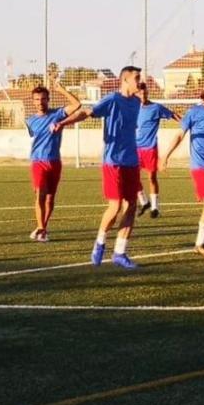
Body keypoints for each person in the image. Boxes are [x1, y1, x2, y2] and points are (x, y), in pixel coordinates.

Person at [52, 67, 143, 268]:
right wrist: (63, 123)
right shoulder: (111, 100)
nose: (140, 81)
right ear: (125, 80)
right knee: (116, 205)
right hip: (113, 162)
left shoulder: (137, 102)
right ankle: (100, 242)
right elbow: (86, 112)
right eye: (137, 78)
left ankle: (120, 252)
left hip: (132, 161)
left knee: (131, 206)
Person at [161, 78, 204, 254]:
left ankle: (199, 243)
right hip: (200, 165)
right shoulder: (194, 112)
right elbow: (179, 135)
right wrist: (165, 155)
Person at [24, 76, 82, 241]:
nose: (40, 102)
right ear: (33, 101)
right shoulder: (30, 121)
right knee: (40, 194)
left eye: (43, 99)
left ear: (48, 99)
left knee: (50, 198)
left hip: (55, 162)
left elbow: (77, 105)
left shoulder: (57, 114)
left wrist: (61, 90)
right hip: (38, 162)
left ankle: (42, 227)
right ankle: (42, 229)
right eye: (36, 99)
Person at [134, 84, 178, 218]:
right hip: (134, 148)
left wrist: (187, 123)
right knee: (133, 178)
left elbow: (173, 115)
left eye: (144, 93)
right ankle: (143, 201)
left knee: (151, 177)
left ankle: (154, 207)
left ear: (147, 93)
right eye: (140, 94)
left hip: (150, 148)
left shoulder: (156, 108)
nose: (143, 96)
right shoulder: (132, 108)